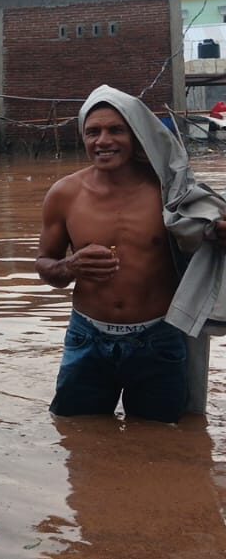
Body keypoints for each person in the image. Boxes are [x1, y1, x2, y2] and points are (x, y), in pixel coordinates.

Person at [36, 85, 226, 422]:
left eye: (115, 130)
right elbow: (45, 265)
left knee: (161, 443)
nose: (103, 141)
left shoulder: (171, 194)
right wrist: (70, 265)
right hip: (87, 337)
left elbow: (206, 245)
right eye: (93, 132)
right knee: (77, 437)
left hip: (158, 337)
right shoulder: (64, 194)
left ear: (136, 135)